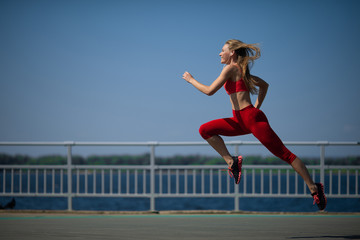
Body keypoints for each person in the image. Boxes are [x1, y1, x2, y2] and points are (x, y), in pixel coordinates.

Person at [182, 39, 327, 210]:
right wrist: (256, 107)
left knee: (286, 155)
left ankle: (314, 187)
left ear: (232, 53)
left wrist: (191, 80)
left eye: (222, 50)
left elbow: (209, 91)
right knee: (205, 130)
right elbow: (264, 86)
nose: (219, 53)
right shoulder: (240, 71)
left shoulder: (230, 68)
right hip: (240, 120)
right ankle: (232, 162)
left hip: (251, 119)